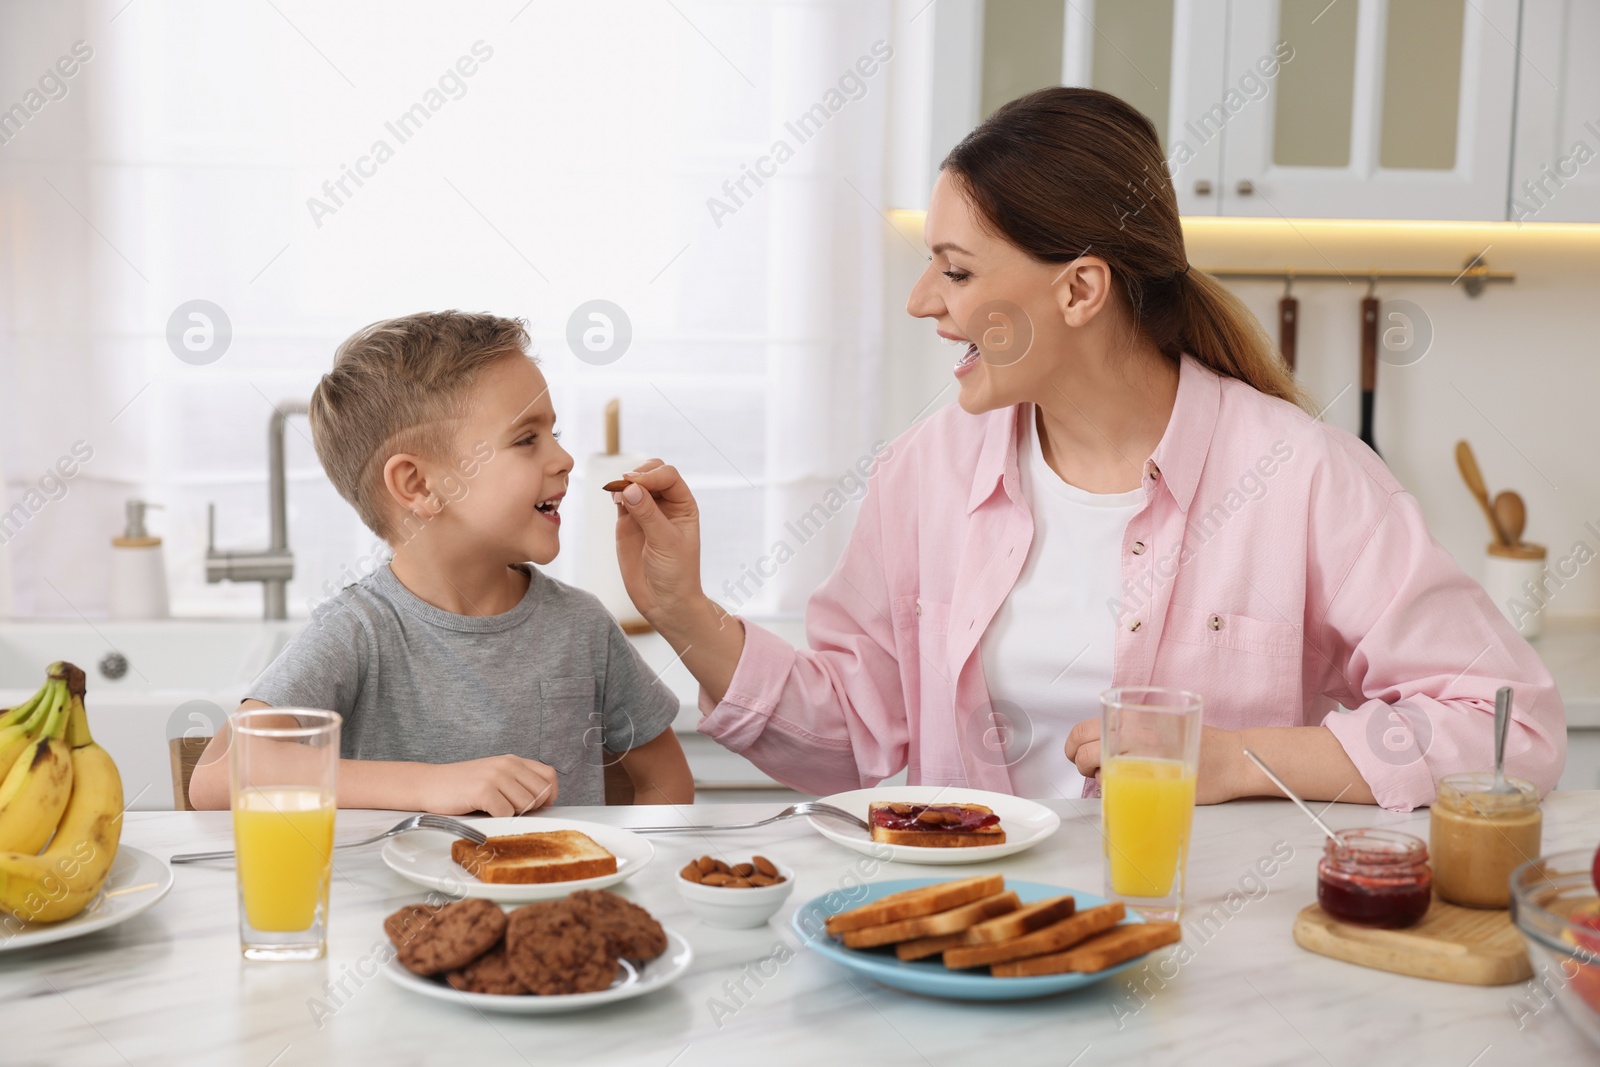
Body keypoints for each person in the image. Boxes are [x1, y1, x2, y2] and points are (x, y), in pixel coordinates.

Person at [605, 87, 1565, 812]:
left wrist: (1236, 758)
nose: (922, 302)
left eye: (956, 270)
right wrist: (683, 610)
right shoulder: (927, 473)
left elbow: (1508, 724)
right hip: (971, 945)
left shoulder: (1304, 476)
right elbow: (853, 733)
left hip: (1211, 965)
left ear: (1079, 291)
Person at [189, 312, 693, 813]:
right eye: (526, 439)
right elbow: (219, 776)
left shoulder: (582, 627)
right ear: (418, 486)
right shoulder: (359, 632)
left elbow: (667, 780)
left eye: (554, 432)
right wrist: (431, 786)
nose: (564, 458)